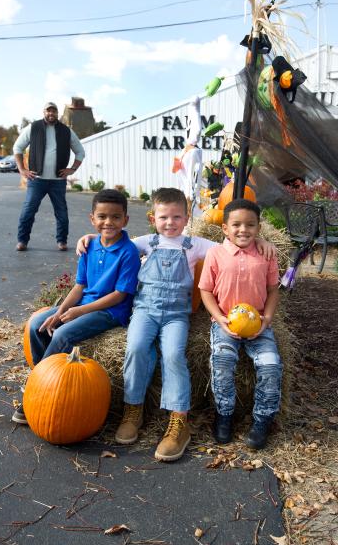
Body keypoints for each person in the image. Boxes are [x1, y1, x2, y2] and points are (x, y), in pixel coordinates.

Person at [76, 188, 276, 462]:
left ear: (186, 218)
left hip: (175, 315)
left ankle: (178, 421)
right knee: (135, 347)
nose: (170, 223)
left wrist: (263, 239)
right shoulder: (145, 242)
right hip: (145, 310)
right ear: (153, 218)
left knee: (173, 355)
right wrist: (90, 238)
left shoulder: (195, 244)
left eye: (177, 217)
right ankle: (133, 409)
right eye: (164, 217)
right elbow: (112, 242)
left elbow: (234, 242)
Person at [12, 189, 140, 424]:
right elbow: (80, 286)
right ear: (92, 219)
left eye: (115, 217)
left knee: (61, 334)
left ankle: (36, 390)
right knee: (37, 325)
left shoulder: (128, 251)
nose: (108, 222)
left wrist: (77, 312)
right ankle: (46, 382)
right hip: (83, 303)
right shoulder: (89, 246)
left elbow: (120, 295)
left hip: (109, 311)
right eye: (102, 216)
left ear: (125, 219)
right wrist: (60, 312)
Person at [199, 198, 283, 449]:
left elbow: (273, 290)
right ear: (225, 228)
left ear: (258, 228)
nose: (243, 230)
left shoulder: (267, 254)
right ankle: (224, 415)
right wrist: (220, 319)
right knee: (222, 362)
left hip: (258, 323)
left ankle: (263, 420)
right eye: (236, 224)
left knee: (271, 365)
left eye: (250, 225)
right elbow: (205, 291)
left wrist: (266, 319)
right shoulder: (215, 254)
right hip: (226, 323)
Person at [13, 102, 85, 251]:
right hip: (36, 180)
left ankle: (62, 241)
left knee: (62, 213)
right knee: (28, 211)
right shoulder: (33, 128)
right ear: (43, 112)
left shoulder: (66, 131)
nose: (51, 113)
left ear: (57, 113)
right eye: (48, 111)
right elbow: (17, 147)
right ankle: (22, 241)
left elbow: (80, 152)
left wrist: (71, 169)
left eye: (54, 111)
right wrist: (22, 169)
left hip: (58, 181)